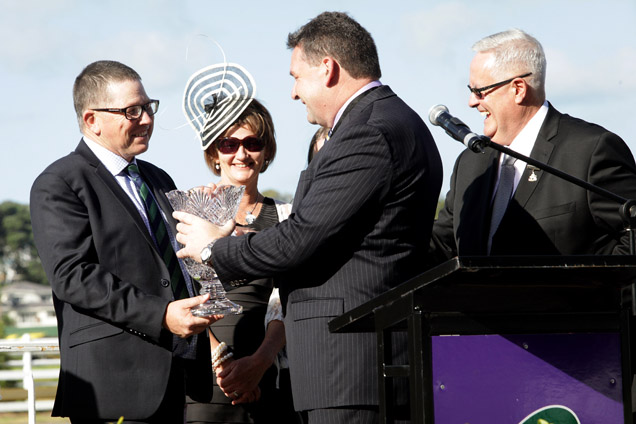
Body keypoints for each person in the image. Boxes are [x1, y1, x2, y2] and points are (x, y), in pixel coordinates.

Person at [173, 11, 443, 423]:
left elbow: (301, 238)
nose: (295, 93)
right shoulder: (385, 121)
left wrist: (213, 247)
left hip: (351, 363)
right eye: (227, 143)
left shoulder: (367, 131)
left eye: (296, 77)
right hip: (352, 362)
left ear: (328, 69)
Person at [30, 60, 217, 423]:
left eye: (149, 107)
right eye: (132, 111)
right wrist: (161, 315)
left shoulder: (157, 178)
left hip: (175, 377)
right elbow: (73, 276)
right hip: (112, 385)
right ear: (91, 120)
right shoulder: (60, 183)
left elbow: (175, 259)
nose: (147, 119)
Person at [430, 28, 636, 261]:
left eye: (479, 91)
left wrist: (586, 289)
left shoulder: (591, 151)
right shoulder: (470, 163)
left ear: (518, 89)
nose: (471, 102)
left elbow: (632, 241)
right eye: (471, 91)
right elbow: (442, 245)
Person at [185, 97, 298, 423]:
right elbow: (181, 293)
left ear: (266, 152)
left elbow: (288, 299)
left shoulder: (287, 217)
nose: (241, 153)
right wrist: (222, 364)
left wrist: (259, 363)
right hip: (206, 381)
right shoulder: (190, 214)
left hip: (269, 377)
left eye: (252, 143)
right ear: (213, 154)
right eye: (228, 143)